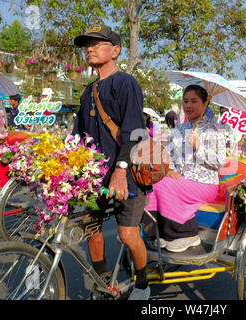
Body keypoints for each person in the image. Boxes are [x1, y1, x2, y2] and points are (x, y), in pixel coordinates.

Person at [72, 24, 150, 300]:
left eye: (97, 43)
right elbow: (77, 138)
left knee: (128, 235)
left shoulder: (125, 83)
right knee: (90, 226)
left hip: (126, 175)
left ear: (115, 50)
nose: (90, 48)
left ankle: (142, 283)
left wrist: (120, 170)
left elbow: (134, 131)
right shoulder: (87, 92)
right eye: (87, 44)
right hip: (95, 178)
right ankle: (103, 280)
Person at [145, 84, 227, 253]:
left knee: (165, 185)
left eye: (194, 101)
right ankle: (158, 233)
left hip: (205, 183)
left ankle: (188, 234)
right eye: (185, 101)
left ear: (204, 104)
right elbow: (168, 155)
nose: (188, 105)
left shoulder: (215, 129)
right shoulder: (179, 129)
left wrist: (199, 147)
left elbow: (219, 162)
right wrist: (167, 170)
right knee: (153, 182)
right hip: (180, 178)